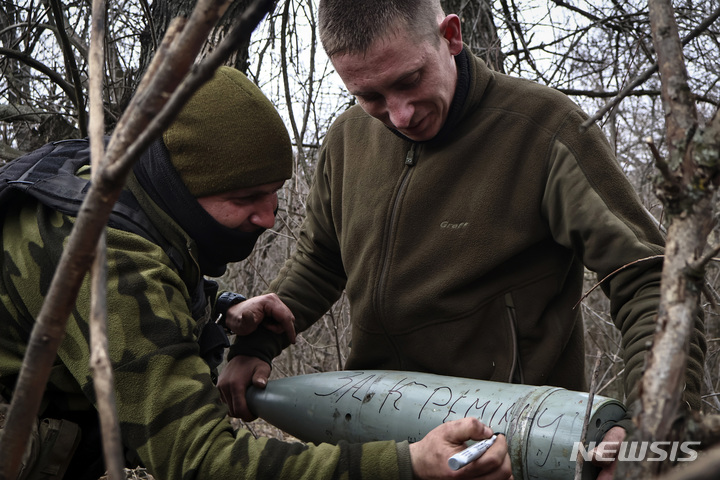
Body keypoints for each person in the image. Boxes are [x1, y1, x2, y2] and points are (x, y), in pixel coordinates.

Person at [217, 1, 707, 478]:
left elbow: (648, 280)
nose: (400, 115)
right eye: (370, 96)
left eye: (410, 80)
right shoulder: (347, 139)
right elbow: (321, 262)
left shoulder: (543, 129)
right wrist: (256, 344)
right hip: (379, 446)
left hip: (516, 448)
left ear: (450, 36)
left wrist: (648, 425)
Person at [0, 66, 512, 480]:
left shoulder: (122, 182)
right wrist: (405, 465)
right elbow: (200, 461)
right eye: (244, 198)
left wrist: (220, 308)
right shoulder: (97, 250)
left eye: (272, 193)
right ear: (178, 188)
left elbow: (149, 281)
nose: (268, 218)